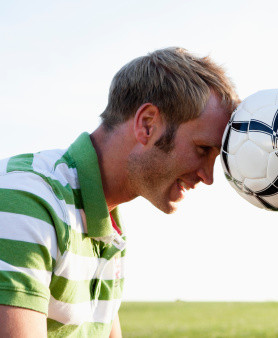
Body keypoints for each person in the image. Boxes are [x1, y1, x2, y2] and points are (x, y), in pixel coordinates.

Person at [0, 47, 239, 337]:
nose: (208, 176)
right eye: (202, 149)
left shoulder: (109, 225)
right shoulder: (26, 201)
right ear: (147, 124)